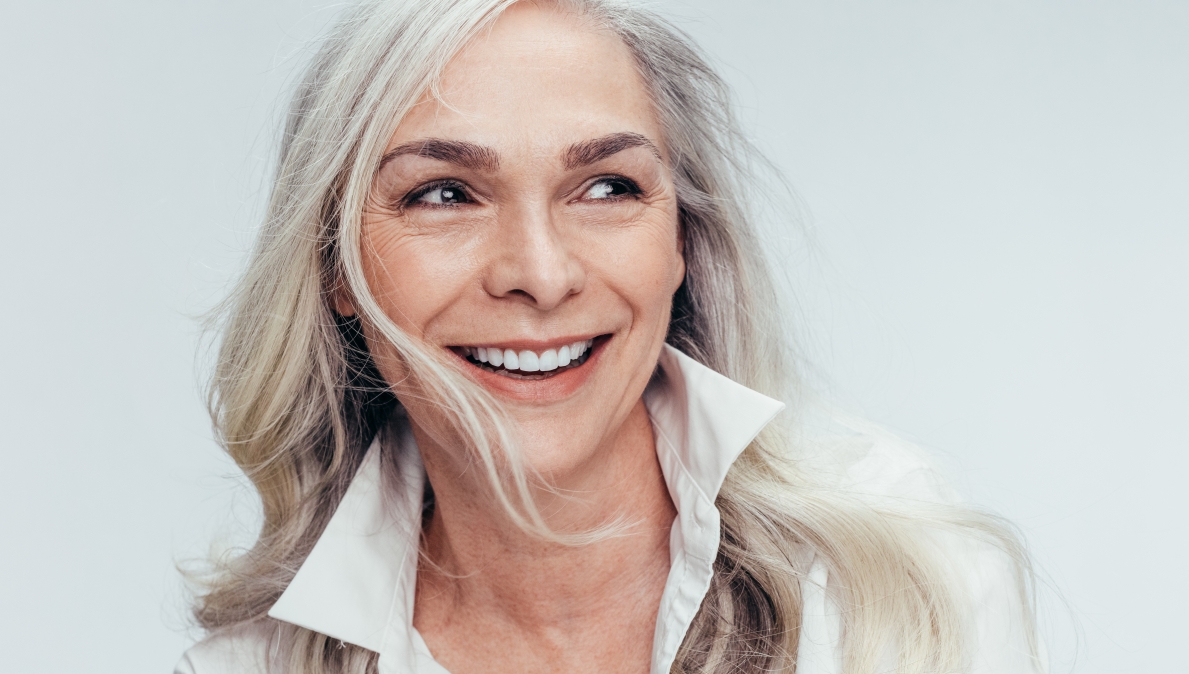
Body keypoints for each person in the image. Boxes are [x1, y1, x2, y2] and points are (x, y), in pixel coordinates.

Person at [177, 0, 1043, 672]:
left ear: (682, 245)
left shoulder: (903, 581)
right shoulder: (246, 666)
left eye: (605, 187)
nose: (541, 274)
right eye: (443, 193)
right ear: (334, 270)